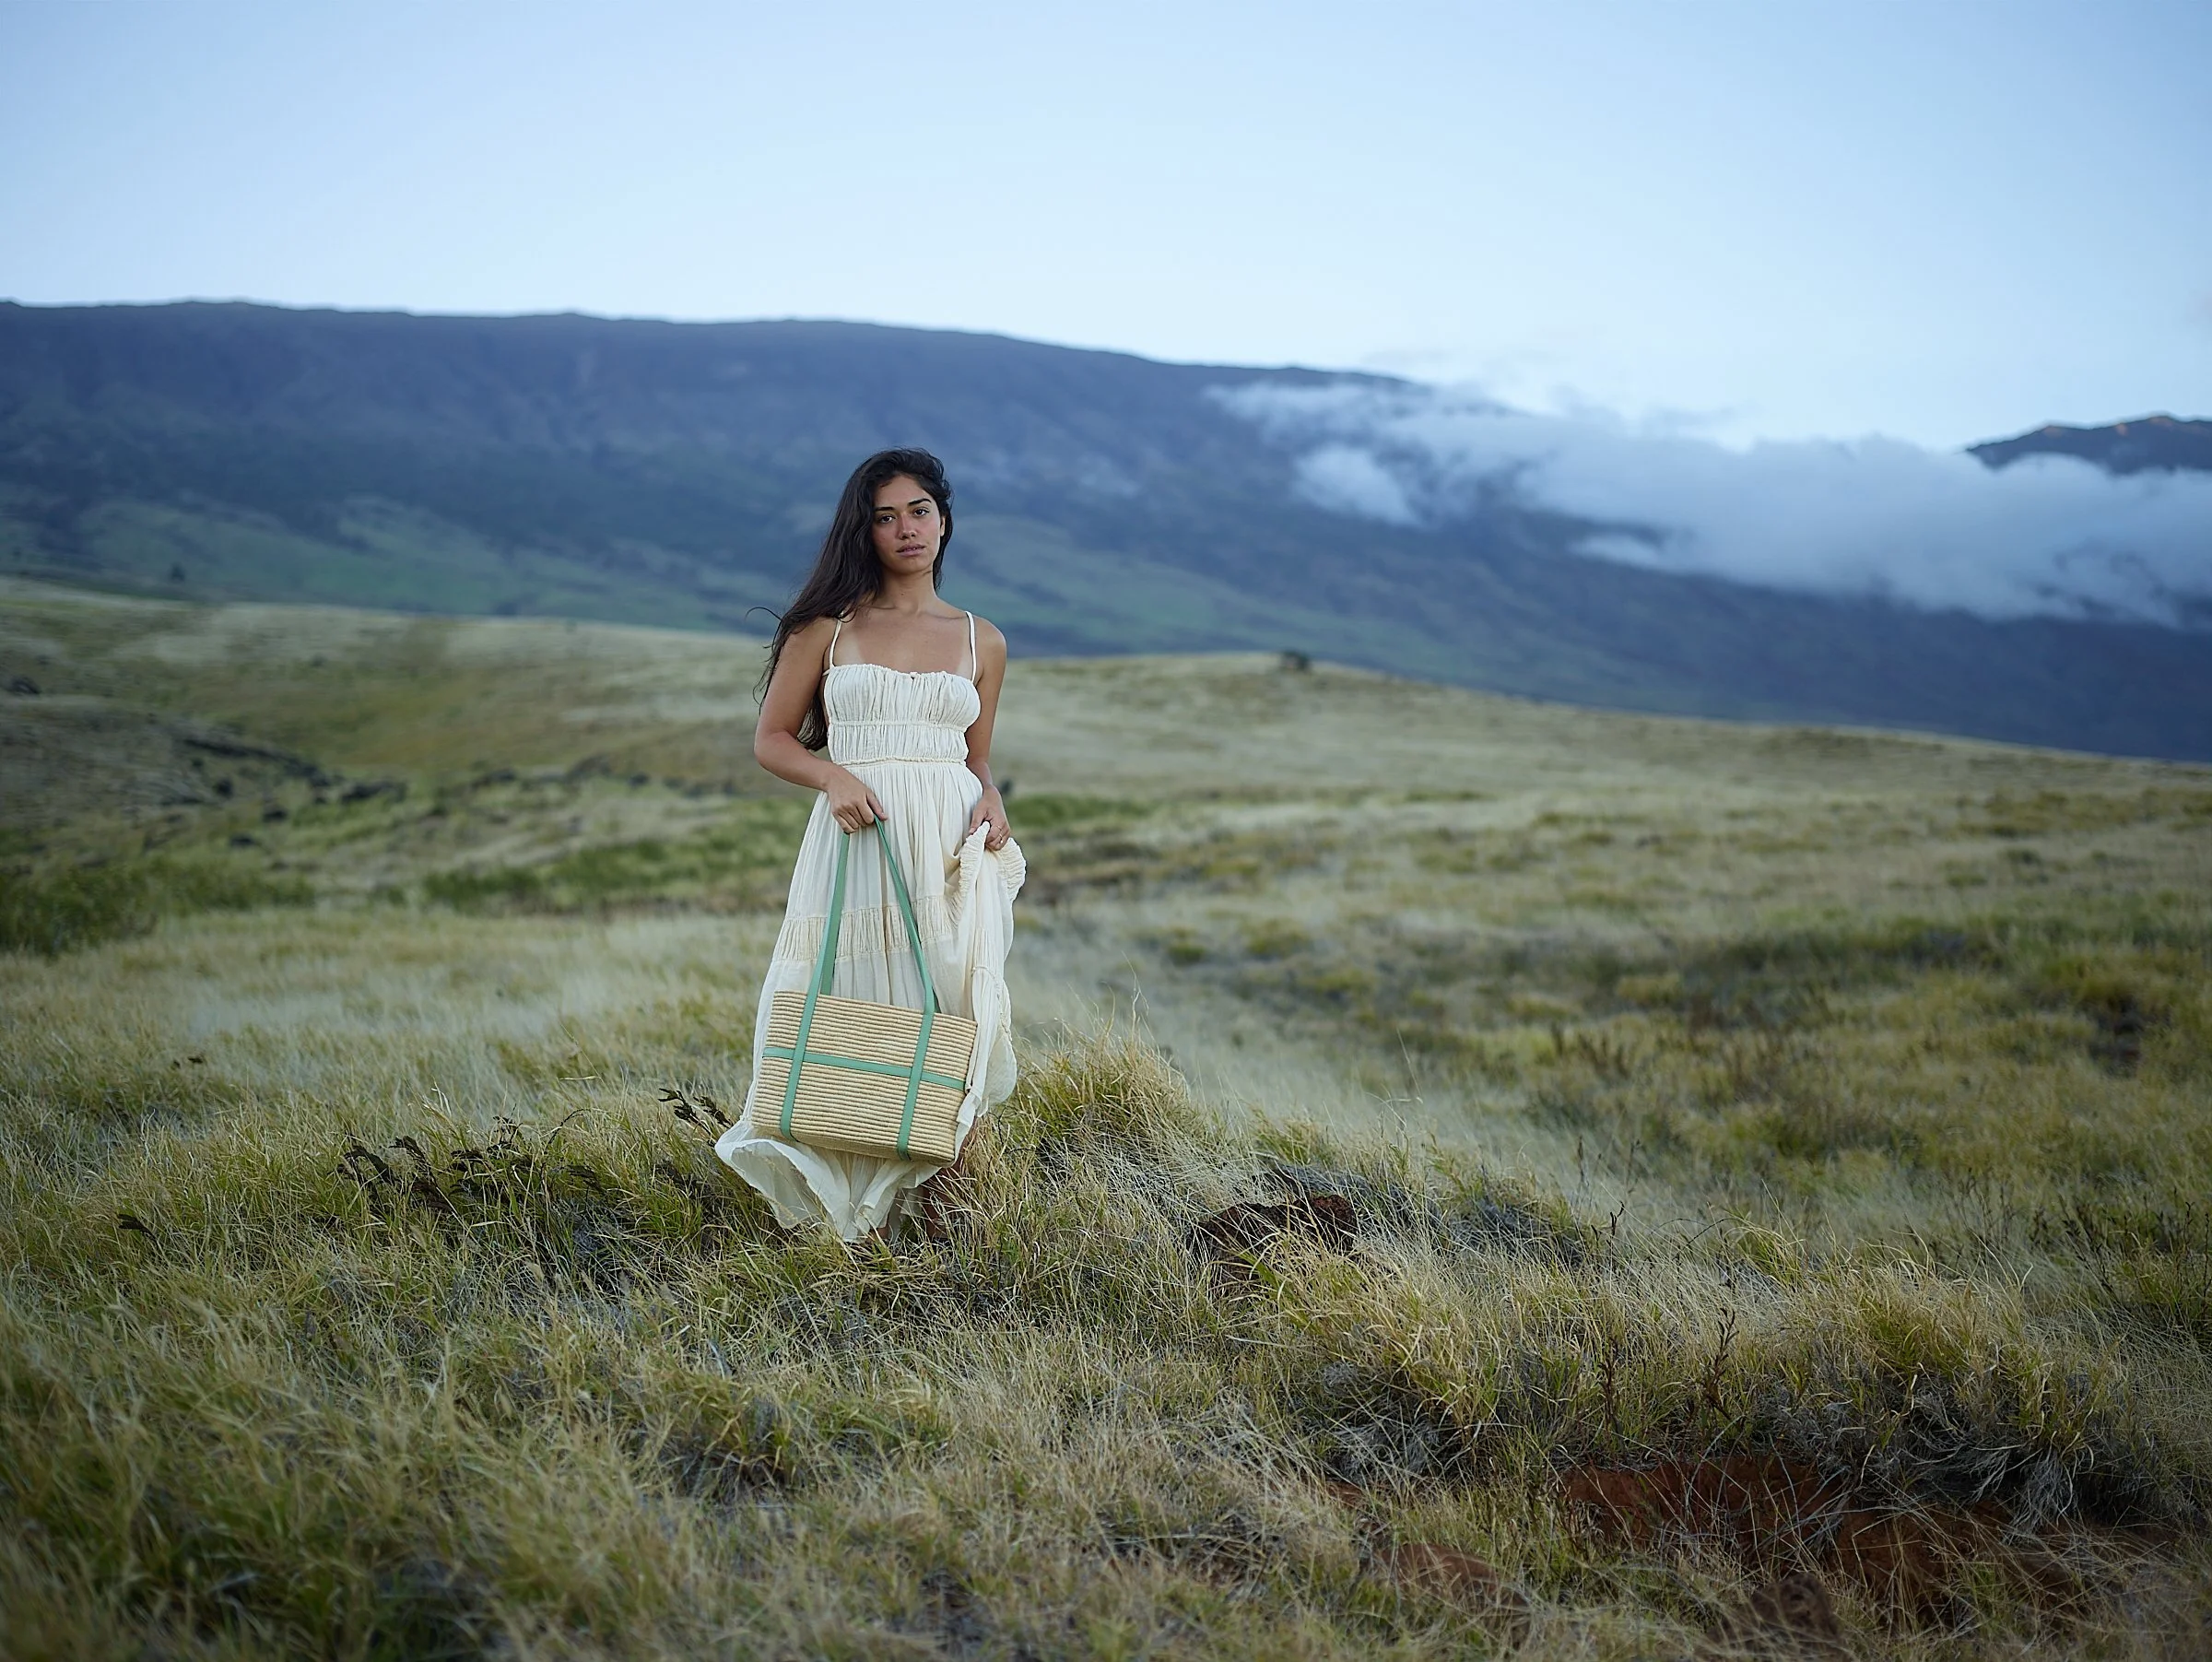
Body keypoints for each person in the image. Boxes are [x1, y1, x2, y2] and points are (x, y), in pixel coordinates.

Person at [716, 449, 1023, 1239]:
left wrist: (991, 797)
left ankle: (949, 1219)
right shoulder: (830, 627)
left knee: (952, 1012)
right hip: (859, 838)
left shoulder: (981, 638)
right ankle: (843, 1220)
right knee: (848, 1006)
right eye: (884, 517)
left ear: (944, 518)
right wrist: (832, 779)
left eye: (918, 510)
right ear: (865, 530)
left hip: (950, 853)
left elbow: (973, 753)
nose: (905, 529)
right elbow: (773, 739)